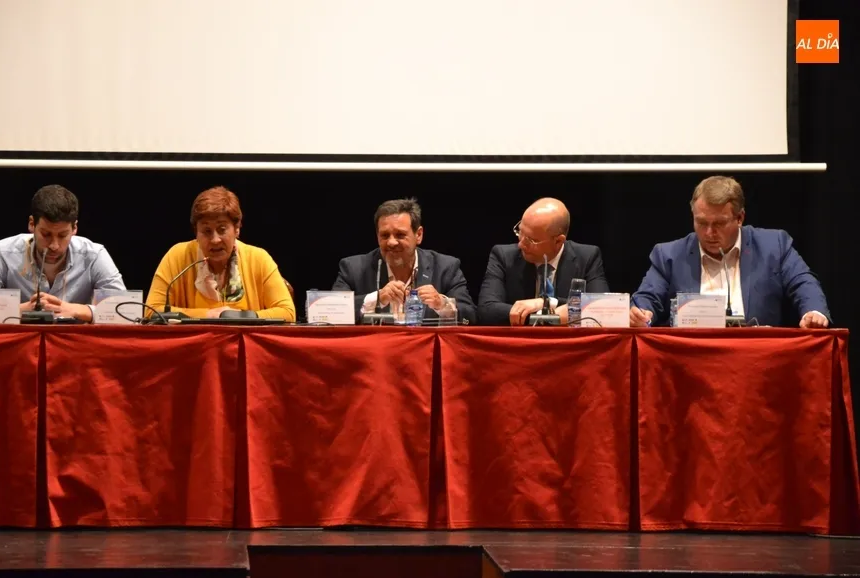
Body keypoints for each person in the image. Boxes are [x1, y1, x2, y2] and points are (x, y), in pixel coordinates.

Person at [629, 175, 830, 328]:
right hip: (690, 357)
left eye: (719, 223)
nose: (709, 233)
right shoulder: (669, 255)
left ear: (740, 218)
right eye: (701, 223)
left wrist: (813, 312)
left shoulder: (773, 246)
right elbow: (647, 297)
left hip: (756, 356)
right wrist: (642, 314)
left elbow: (803, 283)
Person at [0, 184, 125, 323]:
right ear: (32, 224)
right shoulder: (3, 252)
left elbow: (126, 312)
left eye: (63, 235)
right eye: (46, 234)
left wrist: (75, 310)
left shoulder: (94, 255)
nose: (54, 245)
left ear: (74, 228)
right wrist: (22, 310)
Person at [146, 186, 295, 322]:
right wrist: (209, 315)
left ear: (237, 229)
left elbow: (287, 313)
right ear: (196, 232)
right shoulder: (177, 256)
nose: (215, 240)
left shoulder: (259, 259)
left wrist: (241, 317)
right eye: (207, 231)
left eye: (222, 229)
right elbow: (151, 311)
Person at [332, 198, 476, 324]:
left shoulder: (445, 267)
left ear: (418, 235)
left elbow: (470, 317)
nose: (391, 242)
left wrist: (442, 304)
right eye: (385, 235)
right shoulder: (353, 269)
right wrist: (376, 299)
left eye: (400, 235)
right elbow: (331, 313)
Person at [478, 198, 609, 325]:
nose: (521, 244)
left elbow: (603, 307)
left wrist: (546, 303)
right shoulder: (503, 256)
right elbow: (486, 310)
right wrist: (550, 315)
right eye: (520, 232)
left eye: (531, 240)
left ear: (558, 241)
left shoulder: (587, 257)